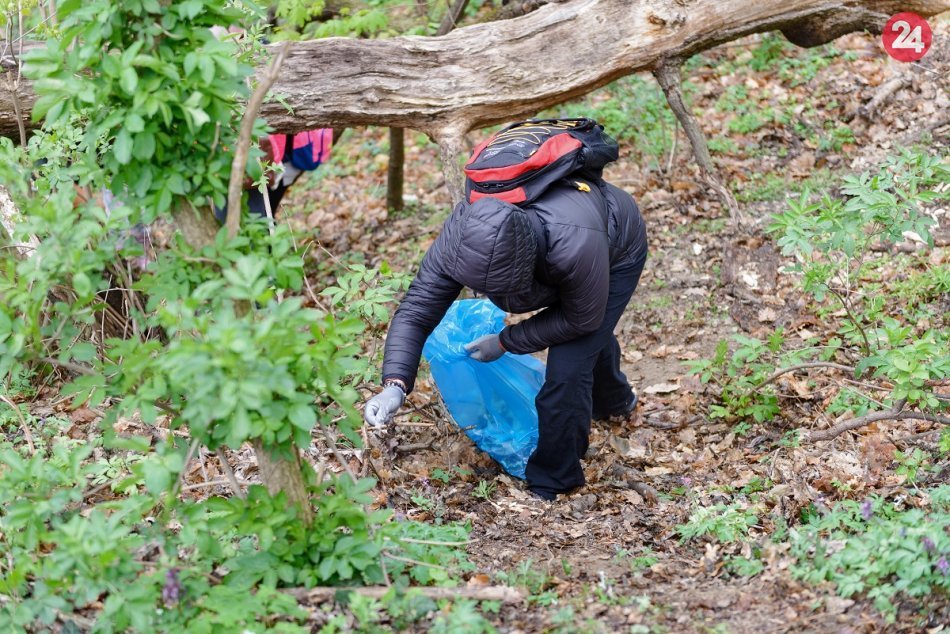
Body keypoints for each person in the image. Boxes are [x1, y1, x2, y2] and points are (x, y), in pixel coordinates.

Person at [363, 172, 648, 501]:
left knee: (568, 369)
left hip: (616, 247)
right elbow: (416, 311)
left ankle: (554, 480)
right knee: (586, 340)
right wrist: (395, 384)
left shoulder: (572, 244)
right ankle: (615, 400)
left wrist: (504, 341)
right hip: (567, 259)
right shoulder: (460, 239)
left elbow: (579, 319)